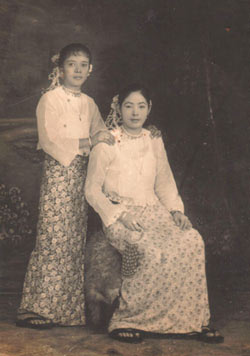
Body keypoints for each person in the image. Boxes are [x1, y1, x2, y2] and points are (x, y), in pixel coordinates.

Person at [85, 84, 224, 344]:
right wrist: (119, 215)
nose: (135, 113)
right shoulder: (107, 141)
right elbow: (92, 190)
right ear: (118, 108)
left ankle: (192, 321)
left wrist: (175, 211)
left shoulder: (154, 139)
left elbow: (165, 183)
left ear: (149, 109)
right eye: (128, 106)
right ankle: (128, 320)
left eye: (141, 106)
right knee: (145, 248)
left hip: (155, 212)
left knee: (191, 241)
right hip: (121, 215)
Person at [16, 43, 115, 329]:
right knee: (52, 239)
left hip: (82, 176)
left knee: (73, 241)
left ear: (90, 70)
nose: (78, 70)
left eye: (84, 65)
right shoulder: (51, 99)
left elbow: (102, 132)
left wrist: (136, 132)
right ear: (61, 69)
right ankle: (36, 308)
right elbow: (49, 141)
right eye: (72, 64)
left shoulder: (90, 102)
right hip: (59, 174)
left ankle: (66, 311)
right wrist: (88, 143)